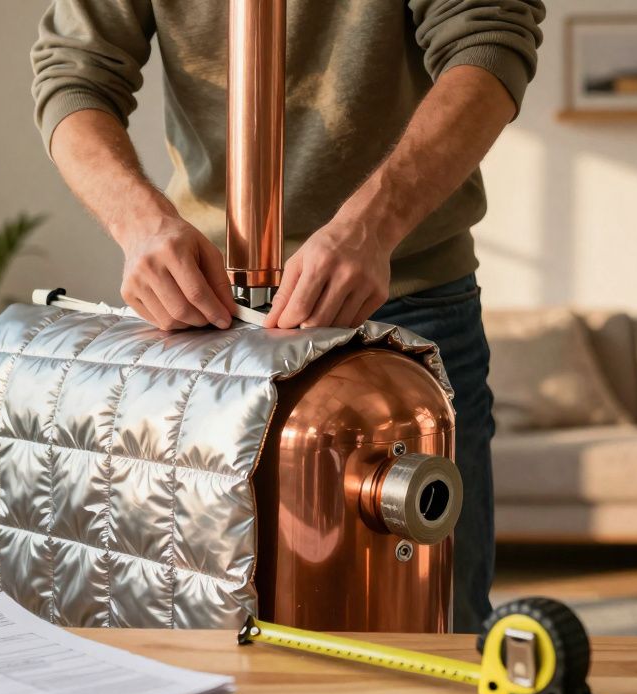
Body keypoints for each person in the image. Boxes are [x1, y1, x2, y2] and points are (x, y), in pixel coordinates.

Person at [31, 1, 544, 633]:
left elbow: (488, 44)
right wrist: (139, 224)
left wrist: (372, 226)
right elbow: (73, 73)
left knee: (434, 623)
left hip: (404, 302)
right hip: (211, 315)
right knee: (197, 620)